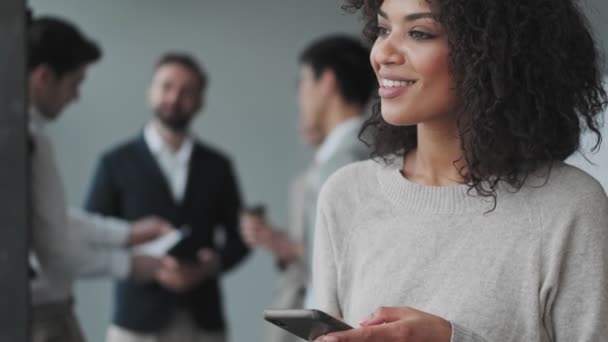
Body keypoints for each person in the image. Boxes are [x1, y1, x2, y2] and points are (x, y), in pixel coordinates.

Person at [312, 0, 608, 341]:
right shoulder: (347, 195)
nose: (382, 54)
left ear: (495, 51)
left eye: (419, 33)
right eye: (382, 30)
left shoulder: (569, 208)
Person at [85, 52, 250, 342]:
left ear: (200, 101)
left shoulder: (217, 165)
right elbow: (93, 234)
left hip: (202, 320)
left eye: (186, 91)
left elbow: (241, 238)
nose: (174, 98)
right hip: (135, 321)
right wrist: (145, 264)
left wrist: (206, 267)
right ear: (150, 92)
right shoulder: (115, 162)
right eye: (166, 87)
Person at [28, 16, 172, 342]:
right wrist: (129, 265)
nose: (76, 96)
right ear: (43, 77)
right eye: (75, 83)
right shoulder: (28, 140)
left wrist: (128, 234)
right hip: (43, 315)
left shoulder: (30, 135)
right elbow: (53, 244)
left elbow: (49, 222)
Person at [239, 35, 376, 342]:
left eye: (302, 83)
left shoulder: (344, 161)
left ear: (326, 82)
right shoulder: (361, 151)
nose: (300, 96)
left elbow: (335, 263)